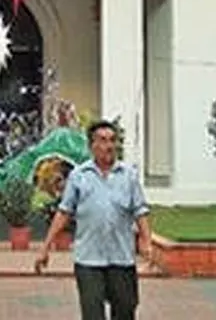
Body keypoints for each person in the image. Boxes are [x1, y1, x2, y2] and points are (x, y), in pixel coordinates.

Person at [34, 120, 151, 320]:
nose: (109, 145)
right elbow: (64, 212)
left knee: (125, 310)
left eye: (112, 140)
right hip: (89, 260)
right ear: (92, 146)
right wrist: (45, 248)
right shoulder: (79, 176)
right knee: (92, 315)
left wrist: (147, 242)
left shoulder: (129, 176)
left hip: (122, 259)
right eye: (103, 140)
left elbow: (140, 211)